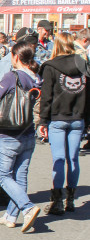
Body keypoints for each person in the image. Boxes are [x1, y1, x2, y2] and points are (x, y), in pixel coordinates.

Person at [0, 43, 42, 232]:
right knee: (20, 175)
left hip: (10, 132)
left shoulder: (12, 77)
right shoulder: (37, 78)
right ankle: (11, 215)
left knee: (3, 174)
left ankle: (27, 207)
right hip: (29, 132)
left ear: (16, 57)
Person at [37, 31, 90, 215]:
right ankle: (71, 199)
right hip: (78, 118)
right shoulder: (82, 63)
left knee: (58, 159)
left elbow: (47, 97)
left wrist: (42, 121)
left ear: (57, 45)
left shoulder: (50, 66)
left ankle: (57, 201)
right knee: (73, 159)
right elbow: (88, 93)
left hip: (58, 118)